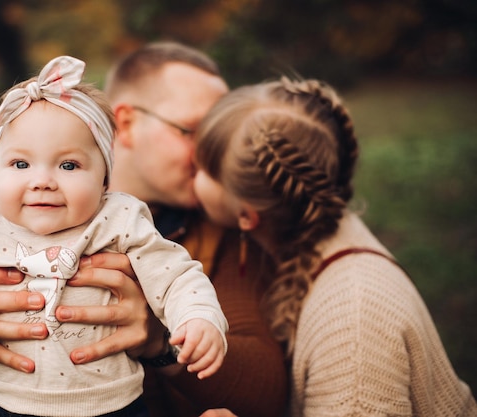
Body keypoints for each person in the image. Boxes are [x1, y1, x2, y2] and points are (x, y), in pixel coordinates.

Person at [0, 42, 289, 417]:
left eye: (221, 139)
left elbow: (265, 392)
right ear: (128, 125)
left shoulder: (222, 223)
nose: (213, 156)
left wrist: (160, 339)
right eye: (193, 132)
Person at [191, 76, 477, 416]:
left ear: (247, 217)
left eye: (205, 169)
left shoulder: (352, 327)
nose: (190, 168)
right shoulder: (324, 224)